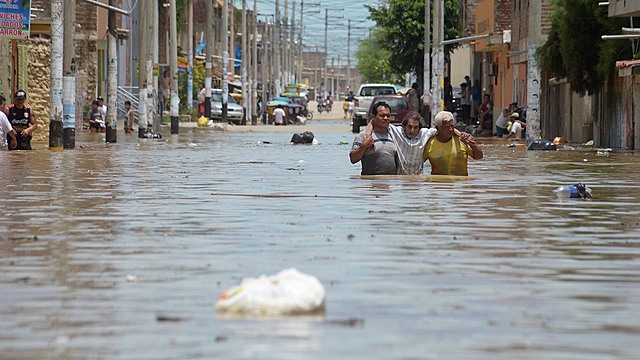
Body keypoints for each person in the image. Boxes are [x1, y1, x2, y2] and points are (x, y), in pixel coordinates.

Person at [422, 111, 483, 176]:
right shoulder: (429, 144)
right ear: (437, 128)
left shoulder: (462, 140)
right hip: (439, 184)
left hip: (460, 184)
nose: (450, 129)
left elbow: (479, 157)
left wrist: (473, 145)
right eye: (447, 127)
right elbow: (417, 163)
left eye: (452, 126)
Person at [350, 101, 397, 175]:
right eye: (382, 115)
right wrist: (364, 146)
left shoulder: (394, 134)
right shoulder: (363, 136)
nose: (385, 118)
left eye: (388, 116)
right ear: (374, 116)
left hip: (390, 182)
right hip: (371, 182)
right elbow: (353, 159)